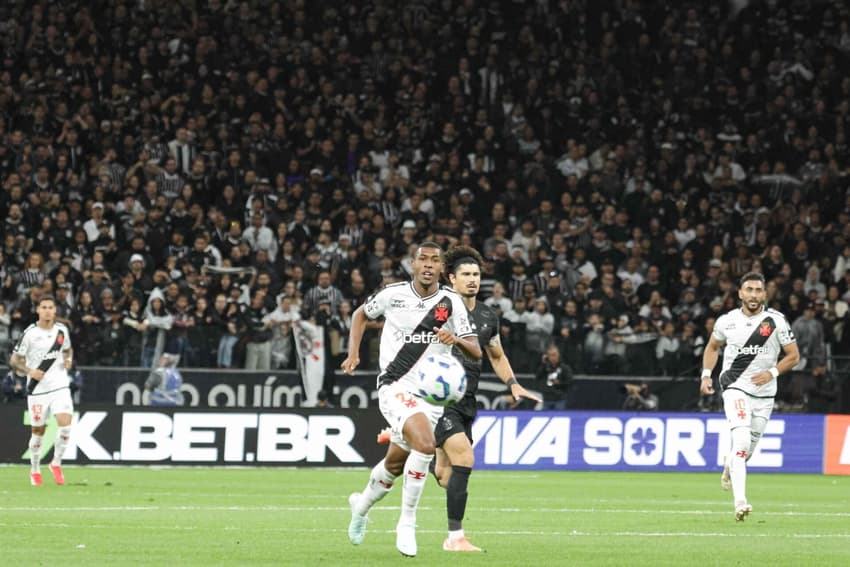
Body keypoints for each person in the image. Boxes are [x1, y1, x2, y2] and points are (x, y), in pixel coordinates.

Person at [341, 242, 482, 557]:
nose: (429, 265)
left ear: (441, 269)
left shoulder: (451, 302)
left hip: (431, 397)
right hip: (394, 384)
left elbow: (476, 350)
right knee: (425, 444)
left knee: (394, 464)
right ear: (413, 264)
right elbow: (359, 315)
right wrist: (353, 354)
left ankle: (360, 508)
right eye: (424, 259)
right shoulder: (392, 294)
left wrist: (455, 338)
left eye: (435, 260)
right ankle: (407, 523)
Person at [433, 245, 540, 551]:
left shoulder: (487, 316)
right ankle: (455, 538)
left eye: (476, 274)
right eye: (465, 274)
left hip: (468, 400)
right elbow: (420, 338)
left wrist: (513, 383)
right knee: (465, 458)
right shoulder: (441, 309)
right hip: (441, 400)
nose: (472, 280)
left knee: (444, 475)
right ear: (451, 279)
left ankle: (421, 448)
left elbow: (496, 354)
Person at [699, 272, 800, 522]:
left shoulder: (776, 321)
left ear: (764, 294)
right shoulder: (727, 321)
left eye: (758, 290)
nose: (753, 295)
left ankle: (729, 465)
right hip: (735, 387)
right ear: (740, 293)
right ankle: (740, 503)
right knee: (742, 441)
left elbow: (793, 356)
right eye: (749, 290)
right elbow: (713, 347)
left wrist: (772, 372)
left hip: (765, 395)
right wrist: (705, 375)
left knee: (746, 451)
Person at [8, 296, 75, 486]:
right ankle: (35, 468)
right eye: (43, 307)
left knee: (65, 425)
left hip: (60, 385)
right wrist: (30, 371)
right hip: (38, 390)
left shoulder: (62, 331)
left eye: (50, 307)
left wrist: (69, 360)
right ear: (38, 310)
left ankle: (56, 463)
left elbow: (68, 350)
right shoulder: (30, 333)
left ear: (55, 311)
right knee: (38, 432)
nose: (47, 310)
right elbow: (14, 361)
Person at [535, 344, 573, 410]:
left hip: (559, 399)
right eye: (550, 355)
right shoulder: (545, 367)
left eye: (554, 355)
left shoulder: (564, 368)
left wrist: (559, 383)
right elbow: (538, 377)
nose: (553, 357)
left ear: (558, 355)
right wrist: (543, 364)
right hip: (547, 399)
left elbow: (570, 382)